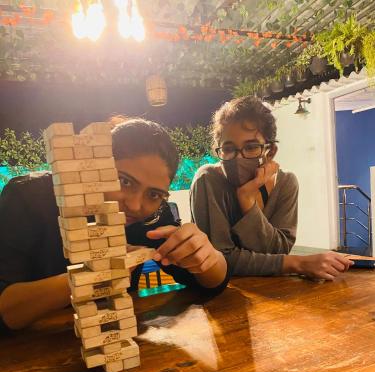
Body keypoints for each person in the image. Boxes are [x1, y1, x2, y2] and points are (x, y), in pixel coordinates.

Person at [0, 118, 228, 331]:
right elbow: (5, 307)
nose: (135, 204)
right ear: (95, 166)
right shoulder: (29, 197)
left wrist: (208, 257)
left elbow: (207, 283)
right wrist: (90, 276)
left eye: (154, 194)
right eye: (124, 181)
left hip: (120, 341)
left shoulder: (153, 216)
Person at [190, 96, 352, 280]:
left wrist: (247, 201)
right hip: (224, 295)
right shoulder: (207, 181)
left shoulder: (286, 183)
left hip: (276, 291)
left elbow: (279, 249)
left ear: (271, 151)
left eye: (251, 147)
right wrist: (297, 263)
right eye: (228, 149)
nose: (238, 157)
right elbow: (219, 259)